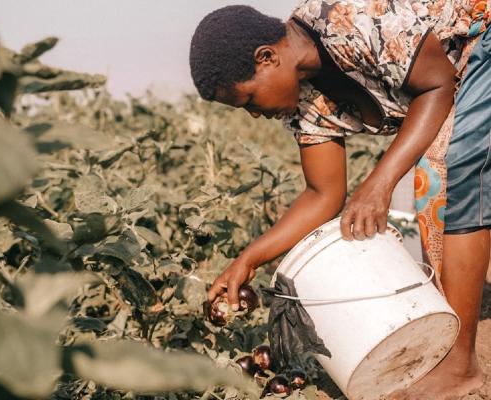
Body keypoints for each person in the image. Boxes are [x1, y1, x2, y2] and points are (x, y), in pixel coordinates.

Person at [189, 1, 490, 399]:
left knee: (441, 172)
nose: (253, 115)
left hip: (480, 44)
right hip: (458, 85)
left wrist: (380, 182)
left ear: (266, 58)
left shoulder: (348, 22)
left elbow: (437, 86)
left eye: (248, 100)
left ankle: (459, 364)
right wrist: (248, 259)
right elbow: (323, 195)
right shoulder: (306, 103)